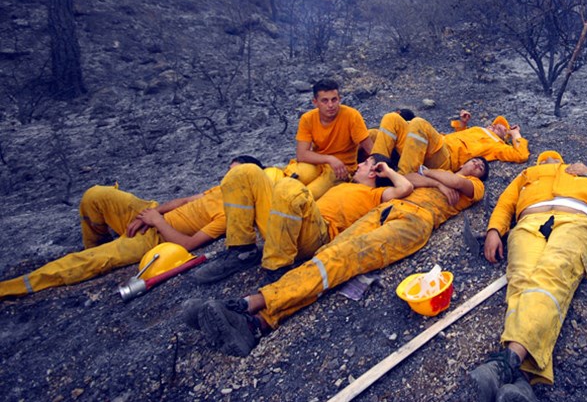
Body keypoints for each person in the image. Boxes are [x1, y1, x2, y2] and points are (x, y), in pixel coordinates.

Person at [186, 157, 489, 357]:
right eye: (473, 162)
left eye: (480, 166)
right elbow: (413, 175)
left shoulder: (473, 187)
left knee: (345, 256)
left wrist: (436, 176)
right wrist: (435, 180)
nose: (475, 166)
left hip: (415, 222)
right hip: (381, 213)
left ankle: (253, 311)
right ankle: (251, 316)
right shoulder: (439, 177)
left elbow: (458, 183)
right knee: (326, 256)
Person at [467, 151, 587, 402]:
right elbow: (506, 203)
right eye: (545, 158)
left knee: (553, 273)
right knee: (520, 281)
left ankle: (505, 362)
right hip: (529, 223)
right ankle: (522, 383)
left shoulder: (581, 170)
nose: (550, 160)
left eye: (555, 158)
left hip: (576, 223)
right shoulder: (527, 174)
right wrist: (494, 230)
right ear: (539, 162)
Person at [0, 155, 260, 299]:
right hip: (150, 215)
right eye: (228, 172)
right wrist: (149, 213)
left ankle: (13, 287)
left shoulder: (231, 215)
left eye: (234, 174)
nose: (228, 177)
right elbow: (182, 200)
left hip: (157, 237)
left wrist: (156, 222)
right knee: (96, 195)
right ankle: (99, 244)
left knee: (88, 261)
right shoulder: (220, 189)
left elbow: (187, 245)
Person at [190, 155, 414, 283]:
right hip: (289, 226)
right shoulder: (345, 185)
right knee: (245, 171)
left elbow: (406, 187)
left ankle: (276, 268)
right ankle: (242, 250)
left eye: (366, 163)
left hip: (318, 236)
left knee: (290, 187)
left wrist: (386, 169)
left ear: (375, 171)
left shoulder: (376, 195)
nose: (359, 165)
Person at [284, 78, 374, 199]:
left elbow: (371, 150)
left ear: (339, 99)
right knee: (295, 178)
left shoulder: (352, 116)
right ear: (315, 102)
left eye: (334, 99)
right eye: (325, 101)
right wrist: (330, 159)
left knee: (307, 195)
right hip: (318, 163)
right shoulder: (307, 119)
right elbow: (302, 154)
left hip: (341, 170)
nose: (330, 105)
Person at [373, 110, 529, 175]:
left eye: (501, 126)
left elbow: (520, 154)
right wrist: (462, 122)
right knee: (391, 118)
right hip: (436, 144)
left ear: (504, 136)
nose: (496, 124)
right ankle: (375, 166)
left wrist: (515, 134)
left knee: (418, 123)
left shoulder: (497, 145)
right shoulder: (478, 129)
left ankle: (403, 177)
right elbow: (459, 137)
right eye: (496, 122)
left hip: (445, 158)